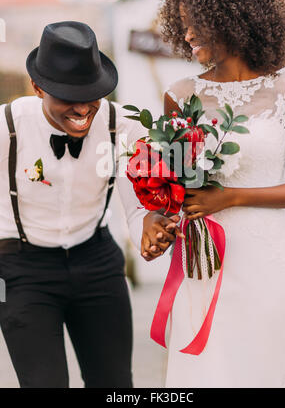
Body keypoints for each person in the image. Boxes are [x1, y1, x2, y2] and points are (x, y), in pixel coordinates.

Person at [148, 0, 285, 388]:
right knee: (204, 371)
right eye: (183, 21)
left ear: (234, 15)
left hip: (262, 260)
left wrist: (232, 197)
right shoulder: (180, 94)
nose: (188, 32)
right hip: (200, 261)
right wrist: (157, 216)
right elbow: (171, 183)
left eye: (198, 20)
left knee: (262, 369)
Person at [0, 20, 180, 388]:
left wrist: (146, 231)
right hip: (22, 270)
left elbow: (137, 205)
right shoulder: (6, 127)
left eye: (92, 93)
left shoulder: (123, 126)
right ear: (37, 87)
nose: (84, 107)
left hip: (97, 261)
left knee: (114, 384)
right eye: (68, 95)